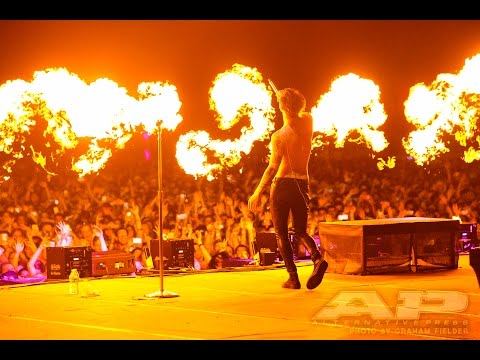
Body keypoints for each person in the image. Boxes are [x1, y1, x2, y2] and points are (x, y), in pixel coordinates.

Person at [248, 87, 328, 290]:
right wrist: (286, 100)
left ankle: (293, 277)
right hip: (302, 183)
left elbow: (272, 167)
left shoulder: (279, 136)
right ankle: (317, 258)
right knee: (300, 229)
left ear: (280, 106)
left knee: (281, 234)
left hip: (282, 185)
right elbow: (296, 113)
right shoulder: (308, 121)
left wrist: (258, 191)